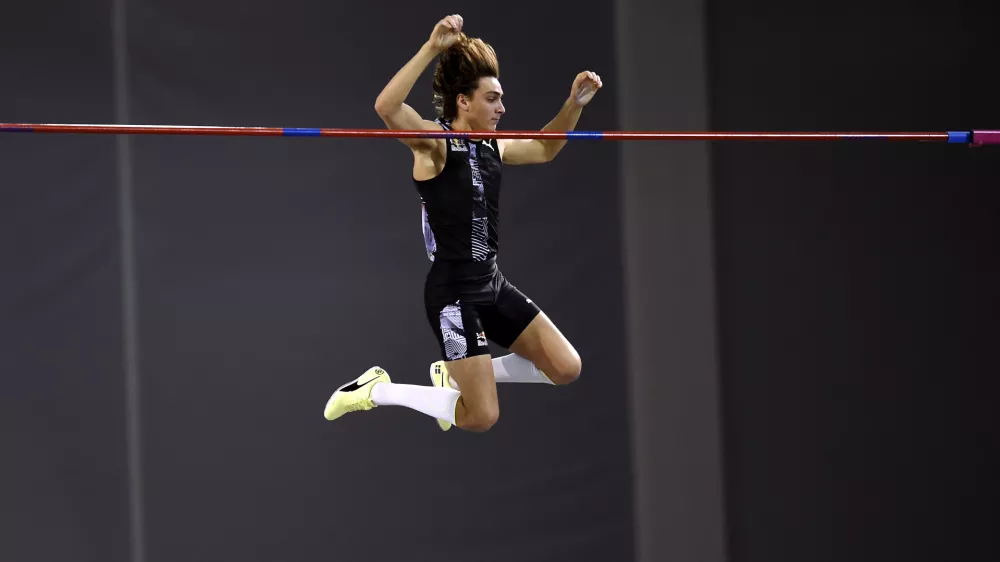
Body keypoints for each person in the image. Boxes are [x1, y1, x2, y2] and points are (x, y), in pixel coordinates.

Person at [323, 14, 603, 432]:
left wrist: (573, 105)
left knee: (566, 367)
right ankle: (376, 390)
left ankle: (454, 376)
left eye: (501, 98)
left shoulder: (494, 145)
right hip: (453, 295)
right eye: (492, 98)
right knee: (481, 416)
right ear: (463, 101)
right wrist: (431, 49)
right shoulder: (434, 145)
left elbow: (545, 149)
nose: (502, 108)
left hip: (491, 283)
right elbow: (387, 108)